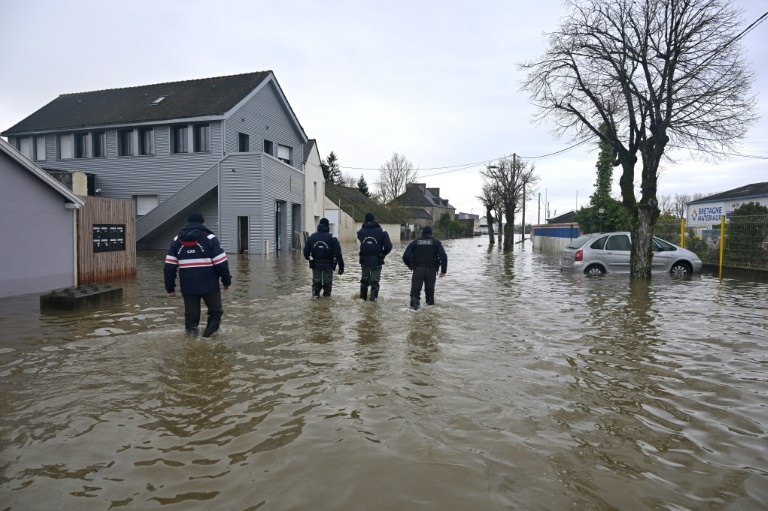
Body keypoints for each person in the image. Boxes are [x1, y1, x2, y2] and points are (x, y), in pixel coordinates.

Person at [164, 212, 232, 337]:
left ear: (188, 223)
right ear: (202, 223)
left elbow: (169, 267)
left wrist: (170, 288)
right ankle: (207, 337)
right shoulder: (210, 238)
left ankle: (191, 342)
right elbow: (221, 263)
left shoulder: (176, 240)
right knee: (216, 312)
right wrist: (226, 282)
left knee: (191, 317)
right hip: (210, 285)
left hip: (188, 286)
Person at [402, 226, 448, 310]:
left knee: (415, 293)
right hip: (431, 270)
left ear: (422, 233)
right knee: (430, 294)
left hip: (418, 270)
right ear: (431, 234)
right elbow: (443, 257)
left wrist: (410, 265)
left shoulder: (415, 242)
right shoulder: (436, 242)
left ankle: (415, 311)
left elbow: (405, 257)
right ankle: (429, 315)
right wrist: (443, 271)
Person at [303, 218, 344, 298]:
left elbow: (305, 252)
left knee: (316, 283)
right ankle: (326, 302)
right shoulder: (332, 238)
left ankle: (315, 299)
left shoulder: (312, 237)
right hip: (328, 265)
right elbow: (338, 254)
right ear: (327, 226)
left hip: (316, 264)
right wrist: (341, 266)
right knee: (327, 284)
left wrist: (307, 258)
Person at [357, 212, 393, 301]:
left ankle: (362, 299)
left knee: (364, 281)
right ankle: (373, 301)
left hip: (364, 260)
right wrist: (383, 254)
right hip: (377, 260)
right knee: (374, 281)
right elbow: (389, 246)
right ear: (374, 220)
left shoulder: (361, 232)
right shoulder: (382, 231)